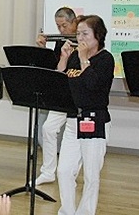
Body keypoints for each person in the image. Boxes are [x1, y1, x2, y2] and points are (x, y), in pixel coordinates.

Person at [56, 15, 114, 215]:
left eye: (85, 34)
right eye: (78, 34)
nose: (80, 38)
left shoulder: (105, 59)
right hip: (73, 120)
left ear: (98, 35)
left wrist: (83, 59)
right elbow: (59, 83)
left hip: (95, 120)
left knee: (91, 176)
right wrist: (64, 58)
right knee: (64, 170)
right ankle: (67, 211)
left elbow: (93, 85)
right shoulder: (73, 56)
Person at [35, 7, 78, 185]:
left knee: (75, 134)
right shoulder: (61, 42)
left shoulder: (85, 40)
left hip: (79, 95)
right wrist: (43, 48)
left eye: (64, 25)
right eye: (58, 26)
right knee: (48, 129)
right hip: (63, 93)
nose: (61, 30)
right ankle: (48, 172)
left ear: (74, 22)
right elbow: (54, 68)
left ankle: (71, 173)